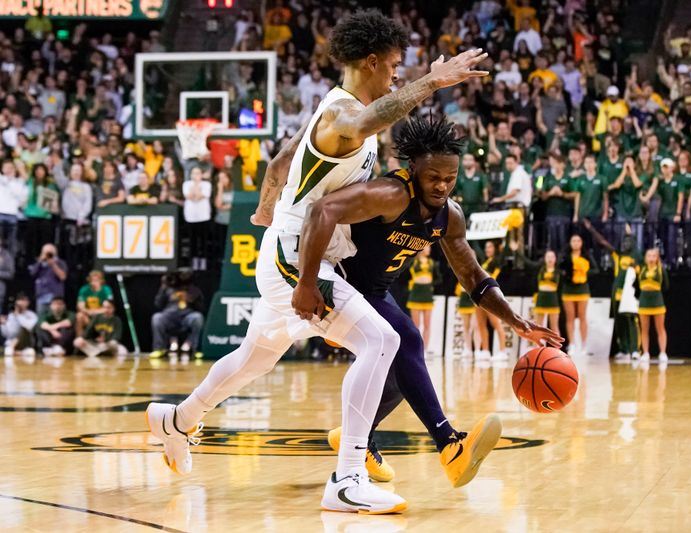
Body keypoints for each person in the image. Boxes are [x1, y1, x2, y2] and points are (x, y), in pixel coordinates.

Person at [147, 10, 488, 515]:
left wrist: (266, 209)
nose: (396, 74)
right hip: (298, 257)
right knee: (382, 340)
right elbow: (360, 123)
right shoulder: (343, 114)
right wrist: (432, 81)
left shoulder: (331, 112)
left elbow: (281, 159)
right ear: (371, 63)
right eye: (394, 66)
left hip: (294, 250)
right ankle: (348, 479)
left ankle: (178, 418)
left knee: (255, 359)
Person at [310, 116, 562, 488]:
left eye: (450, 178)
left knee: (400, 370)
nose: (442, 186)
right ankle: (449, 446)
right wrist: (307, 281)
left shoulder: (450, 216)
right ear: (413, 170)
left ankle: (356, 439)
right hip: (341, 286)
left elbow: (474, 278)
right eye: (434, 177)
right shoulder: (391, 195)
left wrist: (516, 321)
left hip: (375, 295)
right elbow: (322, 210)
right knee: (407, 342)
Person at [584, 220, 642, 361]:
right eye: (624, 241)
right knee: (619, 322)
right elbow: (603, 243)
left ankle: (635, 350)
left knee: (631, 321)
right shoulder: (618, 256)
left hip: (630, 292)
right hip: (617, 291)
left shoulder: (637, 257)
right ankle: (624, 349)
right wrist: (591, 228)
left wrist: (630, 234)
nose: (625, 243)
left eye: (628, 241)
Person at [150, 270, 205, 359]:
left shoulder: (193, 289)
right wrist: (163, 287)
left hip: (187, 317)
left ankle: (196, 349)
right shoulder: (168, 287)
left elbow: (201, 307)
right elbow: (158, 304)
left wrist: (191, 299)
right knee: (157, 317)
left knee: (197, 317)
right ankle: (159, 349)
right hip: (169, 316)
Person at [560, 234, 597, 356]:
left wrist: (583, 272)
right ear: (570, 243)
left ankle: (584, 345)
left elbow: (596, 269)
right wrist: (567, 274)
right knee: (570, 317)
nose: (576, 243)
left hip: (582, 289)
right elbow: (559, 269)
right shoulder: (565, 256)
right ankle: (572, 344)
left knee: (582, 317)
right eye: (573, 240)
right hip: (568, 289)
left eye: (578, 240)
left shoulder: (586, 256)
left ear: (581, 243)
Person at [474, 240, 508, 361]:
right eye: (486, 247)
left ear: (495, 249)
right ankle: (486, 350)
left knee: (496, 323)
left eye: (490, 247)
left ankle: (503, 351)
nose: (487, 249)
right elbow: (476, 247)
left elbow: (505, 251)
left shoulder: (497, 261)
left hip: (491, 296)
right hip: (479, 295)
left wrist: (510, 232)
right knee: (481, 324)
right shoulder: (484, 262)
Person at [637, 248, 669, 363]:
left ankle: (663, 353)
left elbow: (666, 286)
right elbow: (636, 285)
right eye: (649, 256)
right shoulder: (641, 269)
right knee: (644, 329)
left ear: (657, 258)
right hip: (644, 301)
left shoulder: (661, 270)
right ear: (645, 258)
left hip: (657, 301)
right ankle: (645, 352)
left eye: (653, 256)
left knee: (660, 328)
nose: (651, 258)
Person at [406, 246, 438, 356]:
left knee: (427, 324)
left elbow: (438, 278)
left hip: (427, 295)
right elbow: (405, 276)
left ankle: (425, 349)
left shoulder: (432, 263)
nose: (429, 249)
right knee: (416, 325)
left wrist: (431, 286)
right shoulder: (413, 261)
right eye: (427, 247)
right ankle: (416, 349)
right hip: (416, 294)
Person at [28, 244, 67, 314]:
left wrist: (53, 265)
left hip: (54, 296)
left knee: (54, 318)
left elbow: (62, 277)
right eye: (46, 253)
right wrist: (40, 261)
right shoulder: (40, 263)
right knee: (41, 319)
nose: (48, 255)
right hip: (41, 295)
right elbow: (32, 274)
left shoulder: (60, 262)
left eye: (50, 253)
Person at [533, 250, 561, 339]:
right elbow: (529, 264)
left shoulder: (558, 271)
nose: (550, 259)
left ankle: (558, 351)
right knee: (538, 327)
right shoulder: (540, 269)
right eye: (548, 257)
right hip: (541, 298)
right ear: (544, 259)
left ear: (555, 259)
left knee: (554, 327)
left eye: (552, 257)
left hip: (553, 299)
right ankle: (538, 350)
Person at [76, 270, 113, 337]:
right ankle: (79, 339)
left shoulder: (106, 290)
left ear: (101, 280)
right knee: (79, 316)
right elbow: (80, 306)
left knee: (107, 314)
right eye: (92, 280)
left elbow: (108, 307)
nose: (94, 282)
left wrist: (95, 312)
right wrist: (88, 312)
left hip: (101, 315)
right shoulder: (84, 290)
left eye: (96, 280)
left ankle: (103, 339)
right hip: (88, 315)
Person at [1, 293, 37, 358]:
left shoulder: (32, 315)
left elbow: (29, 327)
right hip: (11, 342)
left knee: (24, 329)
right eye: (20, 300)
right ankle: (17, 352)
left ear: (28, 302)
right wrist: (2, 324)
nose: (21, 302)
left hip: (25, 342)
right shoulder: (10, 315)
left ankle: (14, 351)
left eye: (24, 300)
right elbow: (7, 334)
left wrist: (18, 315)